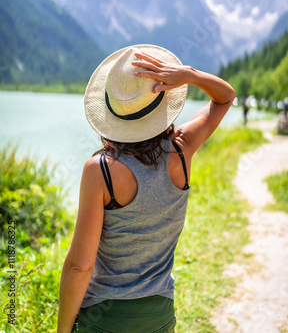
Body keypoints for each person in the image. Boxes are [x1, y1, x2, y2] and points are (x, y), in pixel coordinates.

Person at [57, 44, 235, 333]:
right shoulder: (182, 150)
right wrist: (189, 75)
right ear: (162, 102)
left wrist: (62, 331)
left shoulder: (99, 170)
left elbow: (80, 267)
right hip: (159, 314)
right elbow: (225, 98)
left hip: (104, 319)